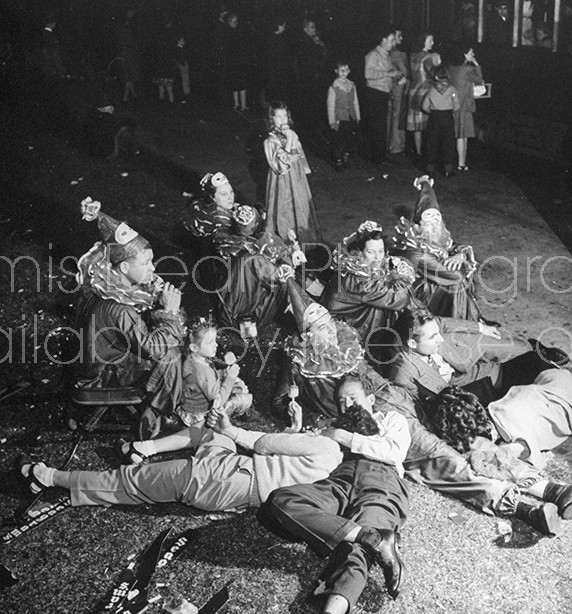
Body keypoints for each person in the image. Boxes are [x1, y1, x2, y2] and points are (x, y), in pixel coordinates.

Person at [274, 286, 571, 533]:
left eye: (328, 323)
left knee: (471, 442)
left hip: (400, 399)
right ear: (305, 333)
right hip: (375, 419)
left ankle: (548, 489)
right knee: (445, 458)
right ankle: (521, 507)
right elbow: (283, 401)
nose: (328, 331)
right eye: (318, 328)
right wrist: (303, 419)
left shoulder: (346, 342)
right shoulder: (298, 362)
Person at [260, 374, 410, 613]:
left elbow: (394, 452)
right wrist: (296, 429)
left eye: (353, 398)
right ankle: (373, 538)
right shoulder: (332, 424)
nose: (347, 405)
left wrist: (342, 437)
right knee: (281, 500)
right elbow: (303, 449)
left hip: (381, 478)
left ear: (370, 399)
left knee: (355, 552)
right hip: (339, 478)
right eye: (341, 401)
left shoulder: (391, 419)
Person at [18, 406, 343, 515]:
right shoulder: (338, 471)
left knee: (128, 482)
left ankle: (45, 477)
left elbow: (264, 443)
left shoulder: (328, 447)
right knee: (210, 434)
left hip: (227, 479)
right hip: (240, 481)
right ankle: (142, 447)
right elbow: (289, 464)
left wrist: (233, 428)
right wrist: (297, 433)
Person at [74, 198, 185, 437]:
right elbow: (153, 348)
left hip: (94, 359)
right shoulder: (118, 307)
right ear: (123, 268)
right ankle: (159, 413)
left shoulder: (104, 281)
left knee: (168, 335)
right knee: (171, 353)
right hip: (101, 376)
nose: (153, 268)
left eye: (152, 261)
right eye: (145, 263)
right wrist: (170, 313)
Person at [424, 384, 572, 530]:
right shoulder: (494, 409)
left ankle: (554, 491)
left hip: (560, 395)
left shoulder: (511, 426)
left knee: (496, 459)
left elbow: (509, 455)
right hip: (545, 386)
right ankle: (553, 493)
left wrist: (486, 456)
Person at [116, 317, 252, 464]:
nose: (216, 345)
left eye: (215, 341)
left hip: (189, 405)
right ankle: (228, 422)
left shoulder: (194, 358)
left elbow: (207, 376)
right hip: (199, 415)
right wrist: (230, 377)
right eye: (211, 342)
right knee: (244, 398)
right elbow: (217, 399)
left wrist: (225, 367)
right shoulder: (201, 371)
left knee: (237, 385)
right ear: (194, 347)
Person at [388, 308, 569, 406]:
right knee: (537, 392)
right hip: (477, 392)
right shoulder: (403, 375)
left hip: (473, 363)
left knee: (535, 362)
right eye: (433, 337)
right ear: (412, 344)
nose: (440, 338)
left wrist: (480, 328)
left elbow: (442, 323)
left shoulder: (421, 330)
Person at [391, 175, 483, 320]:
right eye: (429, 218)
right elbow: (456, 275)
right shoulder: (414, 249)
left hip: (431, 282)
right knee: (456, 284)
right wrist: (462, 262)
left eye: (437, 217)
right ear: (417, 224)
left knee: (456, 280)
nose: (434, 222)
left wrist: (459, 255)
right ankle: (459, 323)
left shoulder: (433, 236)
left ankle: (467, 320)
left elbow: (455, 246)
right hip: (416, 296)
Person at [321, 221, 417, 358]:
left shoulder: (366, 264)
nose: (378, 258)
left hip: (356, 313)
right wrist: (400, 277)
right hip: (345, 327)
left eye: (381, 251)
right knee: (388, 307)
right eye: (371, 252)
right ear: (359, 252)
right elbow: (398, 298)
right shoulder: (358, 277)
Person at [263, 101, 322, 246]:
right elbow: (281, 164)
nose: (282, 120)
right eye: (278, 116)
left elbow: (299, 154)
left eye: (285, 116)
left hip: (295, 176)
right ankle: (283, 238)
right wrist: (289, 140)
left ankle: (301, 236)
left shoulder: (292, 134)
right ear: (272, 119)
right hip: (281, 179)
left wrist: (302, 171)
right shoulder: (270, 141)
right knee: (283, 205)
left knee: (299, 203)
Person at [364, 26, 402, 166]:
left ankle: (380, 156)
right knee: (377, 126)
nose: (393, 43)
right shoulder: (373, 55)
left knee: (381, 126)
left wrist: (395, 74)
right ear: (383, 39)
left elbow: (389, 71)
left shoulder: (386, 55)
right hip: (375, 93)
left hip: (384, 93)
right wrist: (387, 74)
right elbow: (368, 74)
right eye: (391, 40)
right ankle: (376, 158)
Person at [448, 45, 484, 171]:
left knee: (459, 134)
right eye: (470, 52)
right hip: (464, 105)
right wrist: (477, 64)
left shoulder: (452, 68)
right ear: (464, 54)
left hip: (454, 104)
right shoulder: (467, 69)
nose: (472, 54)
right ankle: (461, 163)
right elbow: (479, 79)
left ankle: (459, 162)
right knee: (462, 136)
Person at [421, 65, 460, 178]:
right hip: (447, 117)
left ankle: (429, 169)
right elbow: (457, 106)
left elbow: (424, 106)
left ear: (436, 76)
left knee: (432, 143)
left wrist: (432, 111)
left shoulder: (431, 90)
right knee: (448, 143)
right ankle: (448, 170)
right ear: (448, 76)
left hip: (434, 117)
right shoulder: (452, 90)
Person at [406, 33, 438, 159]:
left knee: (417, 126)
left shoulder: (413, 56)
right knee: (428, 124)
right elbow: (433, 74)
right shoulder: (427, 57)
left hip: (413, 91)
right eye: (430, 40)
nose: (433, 43)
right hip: (425, 92)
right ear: (423, 42)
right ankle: (427, 152)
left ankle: (418, 151)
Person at [327, 59, 361, 172]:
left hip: (350, 117)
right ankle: (338, 160)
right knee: (339, 140)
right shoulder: (334, 87)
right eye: (341, 70)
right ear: (336, 71)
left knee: (350, 138)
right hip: (340, 118)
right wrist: (332, 121)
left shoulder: (352, 85)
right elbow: (330, 106)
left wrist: (358, 116)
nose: (343, 72)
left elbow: (355, 102)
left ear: (349, 71)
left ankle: (345, 156)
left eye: (346, 70)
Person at [296, 19, 329, 129]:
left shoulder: (311, 40)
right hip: (310, 77)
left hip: (312, 76)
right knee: (310, 102)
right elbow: (312, 60)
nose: (314, 29)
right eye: (311, 27)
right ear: (305, 29)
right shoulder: (306, 42)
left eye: (314, 27)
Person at [388, 28, 409, 156]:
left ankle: (389, 144)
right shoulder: (396, 54)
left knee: (391, 115)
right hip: (399, 89)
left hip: (391, 87)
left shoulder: (388, 52)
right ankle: (397, 146)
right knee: (397, 116)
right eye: (399, 36)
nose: (401, 38)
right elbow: (404, 72)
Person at [225, 13, 250, 111]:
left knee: (235, 84)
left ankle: (237, 104)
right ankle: (241, 105)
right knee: (241, 84)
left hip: (234, 62)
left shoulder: (231, 32)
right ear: (230, 22)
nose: (236, 23)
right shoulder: (233, 33)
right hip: (237, 62)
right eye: (234, 21)